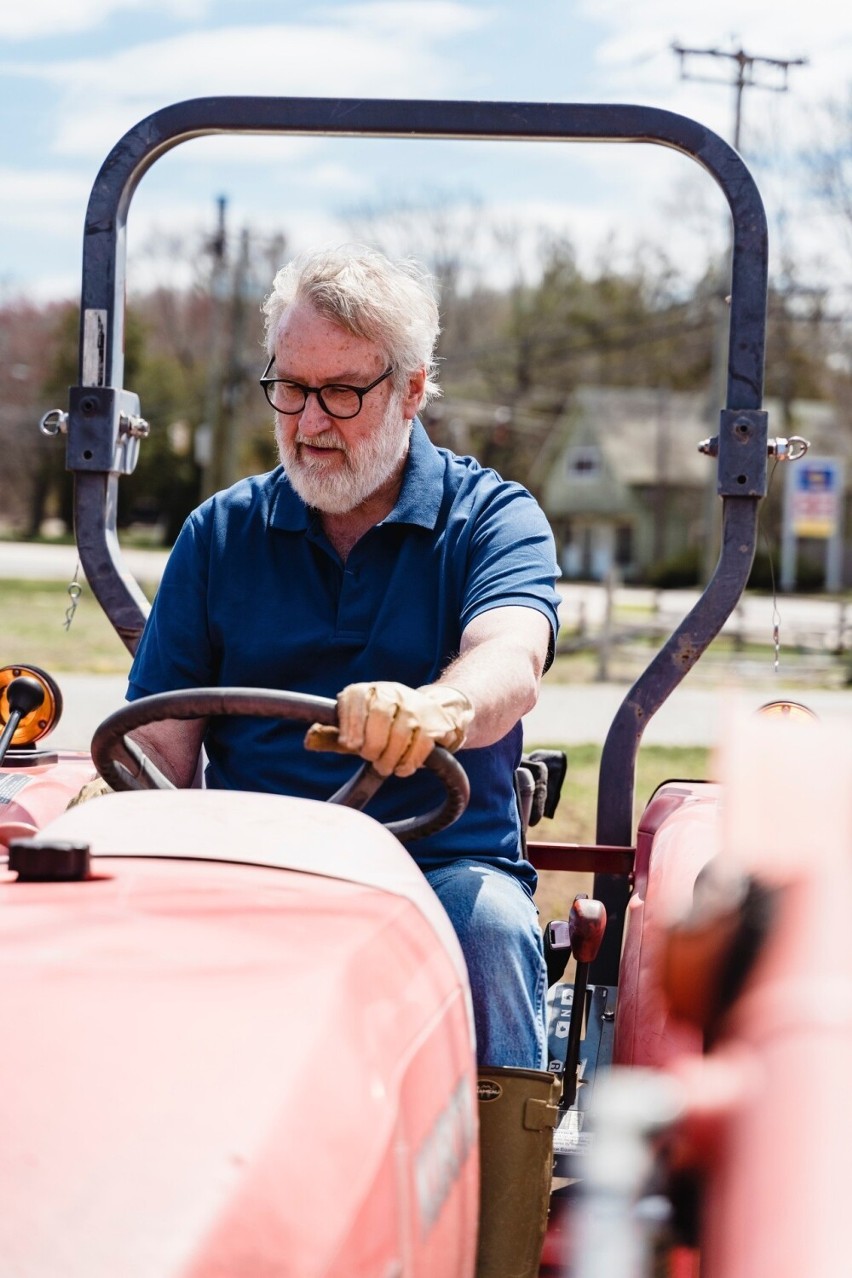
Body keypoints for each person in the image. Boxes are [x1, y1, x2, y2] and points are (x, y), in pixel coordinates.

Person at [118, 245, 562, 1276]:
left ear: (411, 390)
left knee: (498, 936)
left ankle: (494, 1244)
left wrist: (441, 704)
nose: (308, 422)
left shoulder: (490, 518)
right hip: (256, 866)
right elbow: (156, 745)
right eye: (289, 388)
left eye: (342, 392)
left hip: (436, 866)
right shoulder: (221, 534)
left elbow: (511, 659)